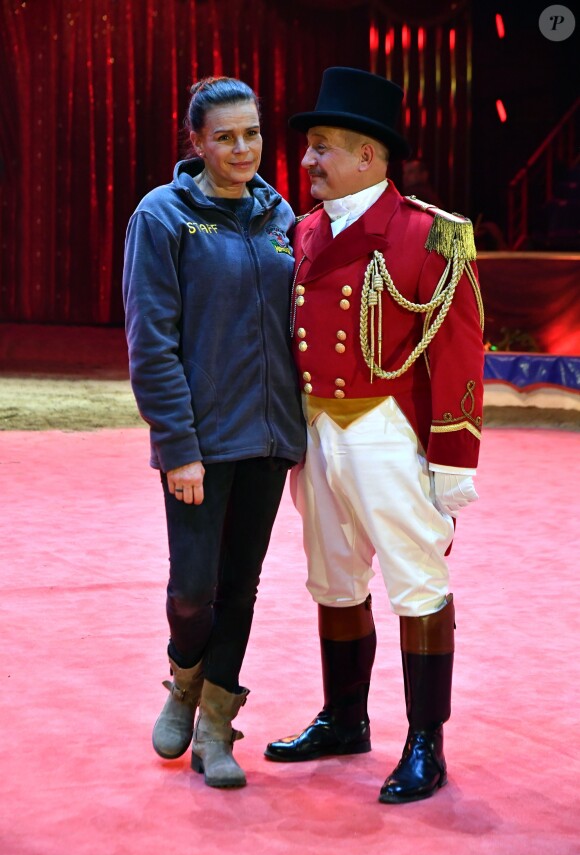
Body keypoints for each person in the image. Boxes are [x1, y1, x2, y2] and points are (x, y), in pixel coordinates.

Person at [264, 67, 484, 804]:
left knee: (417, 582)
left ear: (367, 154)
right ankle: (344, 718)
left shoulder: (431, 234)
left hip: (389, 431)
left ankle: (426, 742)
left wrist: (453, 458)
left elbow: (458, 353)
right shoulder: (304, 230)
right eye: (310, 146)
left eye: (321, 146)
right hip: (317, 428)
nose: (308, 160)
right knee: (333, 579)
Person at [122, 76, 306, 789]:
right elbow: (151, 341)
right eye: (224, 136)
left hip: (270, 438)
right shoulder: (162, 215)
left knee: (241, 587)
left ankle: (216, 728)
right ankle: (184, 683)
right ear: (195, 141)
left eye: (252, 133)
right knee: (194, 590)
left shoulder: (280, 215)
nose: (242, 149)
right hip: (200, 443)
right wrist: (178, 448)